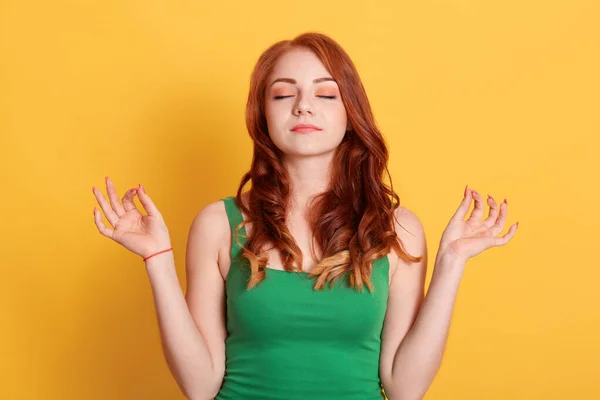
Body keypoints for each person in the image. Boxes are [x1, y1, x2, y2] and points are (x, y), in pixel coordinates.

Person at [92, 32, 518, 400]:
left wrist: (450, 264)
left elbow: (405, 388)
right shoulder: (218, 225)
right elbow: (200, 387)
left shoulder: (397, 230)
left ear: (350, 112)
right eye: (283, 93)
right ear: (263, 114)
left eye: (326, 93)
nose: (303, 106)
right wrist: (157, 260)